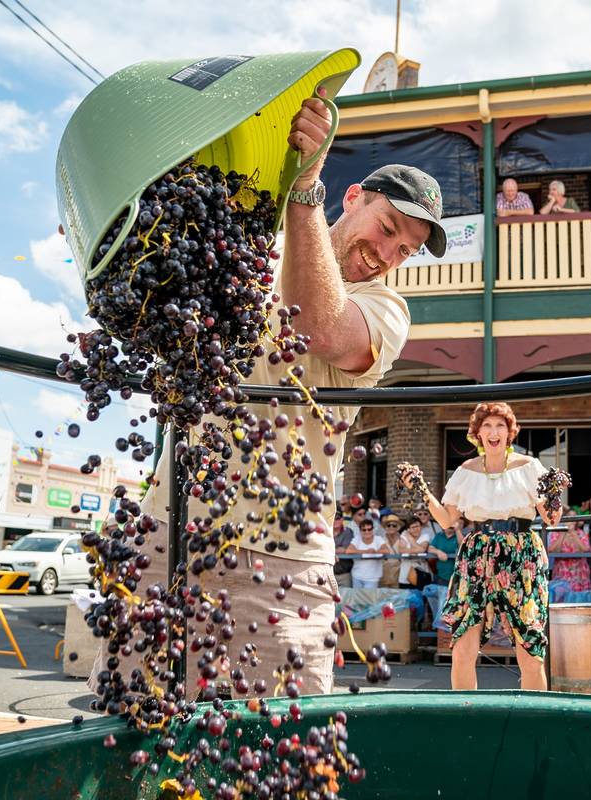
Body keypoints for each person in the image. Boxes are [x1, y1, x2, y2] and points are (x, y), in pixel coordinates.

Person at [96, 92, 450, 697]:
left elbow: (315, 325)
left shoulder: (386, 309)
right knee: (135, 725)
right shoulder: (250, 253)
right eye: (387, 228)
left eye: (404, 251)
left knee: (277, 739)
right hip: (168, 530)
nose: (386, 255)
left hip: (281, 557)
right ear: (353, 198)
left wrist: (304, 188)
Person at [416, 402, 562, 691]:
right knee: (462, 649)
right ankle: (466, 712)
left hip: (521, 554)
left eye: (500, 426)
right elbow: (447, 519)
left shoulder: (529, 466)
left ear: (509, 433)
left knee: (530, 651)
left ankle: (534, 715)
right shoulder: (465, 471)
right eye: (487, 426)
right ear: (478, 433)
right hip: (477, 554)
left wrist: (555, 491)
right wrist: (421, 488)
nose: (494, 432)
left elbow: (552, 518)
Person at [549, 521, 591, 592]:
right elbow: (552, 550)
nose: (570, 523)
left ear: (575, 522)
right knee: (561, 595)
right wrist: (562, 535)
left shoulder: (581, 533)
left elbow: (586, 550)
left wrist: (575, 536)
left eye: (572, 520)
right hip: (562, 571)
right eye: (568, 519)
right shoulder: (556, 533)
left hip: (579, 572)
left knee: (580, 596)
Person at [346, 519, 389, 589]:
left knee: (369, 596)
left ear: (373, 529)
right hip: (356, 576)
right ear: (360, 531)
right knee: (357, 596)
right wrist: (367, 551)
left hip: (373, 578)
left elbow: (387, 550)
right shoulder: (357, 538)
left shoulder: (378, 539)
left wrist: (375, 551)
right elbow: (348, 550)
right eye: (364, 530)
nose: (367, 531)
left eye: (369, 529)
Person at [397, 516, 434, 589]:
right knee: (406, 594)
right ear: (408, 529)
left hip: (422, 573)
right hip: (405, 573)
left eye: (418, 526)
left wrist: (410, 539)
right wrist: (416, 549)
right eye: (413, 527)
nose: (416, 529)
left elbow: (422, 550)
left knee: (422, 594)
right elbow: (401, 550)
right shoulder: (403, 536)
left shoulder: (425, 536)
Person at [427, 517, 463, 588]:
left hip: (458, 575)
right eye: (448, 524)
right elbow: (430, 549)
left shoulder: (459, 535)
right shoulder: (439, 536)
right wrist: (438, 552)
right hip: (441, 575)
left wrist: (457, 530)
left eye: (451, 524)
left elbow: (462, 545)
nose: (450, 526)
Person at [378, 514, 405, 588]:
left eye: (394, 525)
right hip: (383, 575)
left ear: (398, 527)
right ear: (385, 527)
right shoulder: (380, 540)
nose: (391, 527)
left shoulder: (403, 539)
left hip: (398, 576)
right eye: (388, 525)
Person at [333, 516, 354, 588]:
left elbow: (345, 549)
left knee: (346, 595)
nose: (335, 521)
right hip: (329, 573)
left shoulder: (347, 531)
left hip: (345, 574)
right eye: (333, 518)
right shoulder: (327, 531)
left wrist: (330, 550)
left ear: (342, 519)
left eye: (337, 518)